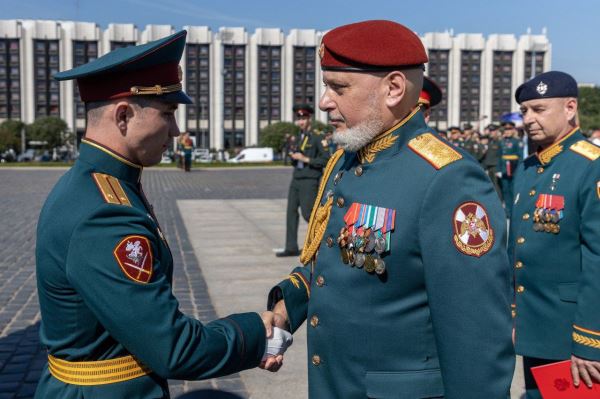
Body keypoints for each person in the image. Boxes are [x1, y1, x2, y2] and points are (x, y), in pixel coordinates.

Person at [266, 20, 514, 398]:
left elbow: (476, 335)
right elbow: (329, 262)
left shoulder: (447, 179)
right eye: (325, 86)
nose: (324, 101)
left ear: (394, 89)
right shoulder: (344, 161)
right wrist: (287, 308)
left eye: (338, 87)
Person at [35, 31, 285, 399]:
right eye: (167, 114)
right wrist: (254, 333)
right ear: (123, 116)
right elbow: (173, 348)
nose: (176, 131)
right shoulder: (103, 214)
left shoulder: (98, 186)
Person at [509, 71, 600, 398]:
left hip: (573, 332)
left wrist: (590, 340)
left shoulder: (591, 166)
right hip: (534, 325)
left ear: (570, 107)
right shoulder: (529, 168)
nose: (529, 119)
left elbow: (597, 258)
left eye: (539, 109)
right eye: (524, 111)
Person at [276, 104, 330, 257]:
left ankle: (323, 242)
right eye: (298, 119)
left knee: (308, 213)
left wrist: (305, 159)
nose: (300, 122)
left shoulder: (317, 136)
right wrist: (294, 157)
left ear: (309, 119)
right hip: (296, 178)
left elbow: (326, 159)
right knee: (291, 213)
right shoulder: (299, 137)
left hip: (309, 179)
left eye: (303, 118)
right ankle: (291, 246)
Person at [498, 121, 522, 216]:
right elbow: (500, 156)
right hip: (504, 169)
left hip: (514, 168)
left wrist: (519, 169)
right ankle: (508, 211)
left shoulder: (517, 141)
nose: (507, 131)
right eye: (506, 130)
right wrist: (499, 169)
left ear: (513, 130)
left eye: (509, 129)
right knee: (505, 190)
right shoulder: (502, 141)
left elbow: (520, 157)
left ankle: (514, 211)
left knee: (513, 190)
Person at [480, 123, 502, 197]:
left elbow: (500, 156)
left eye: (492, 131)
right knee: (492, 185)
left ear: (496, 131)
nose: (491, 132)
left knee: (497, 186)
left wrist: (499, 169)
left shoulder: (499, 141)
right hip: (489, 166)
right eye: (490, 131)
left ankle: (500, 202)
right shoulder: (490, 141)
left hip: (495, 166)